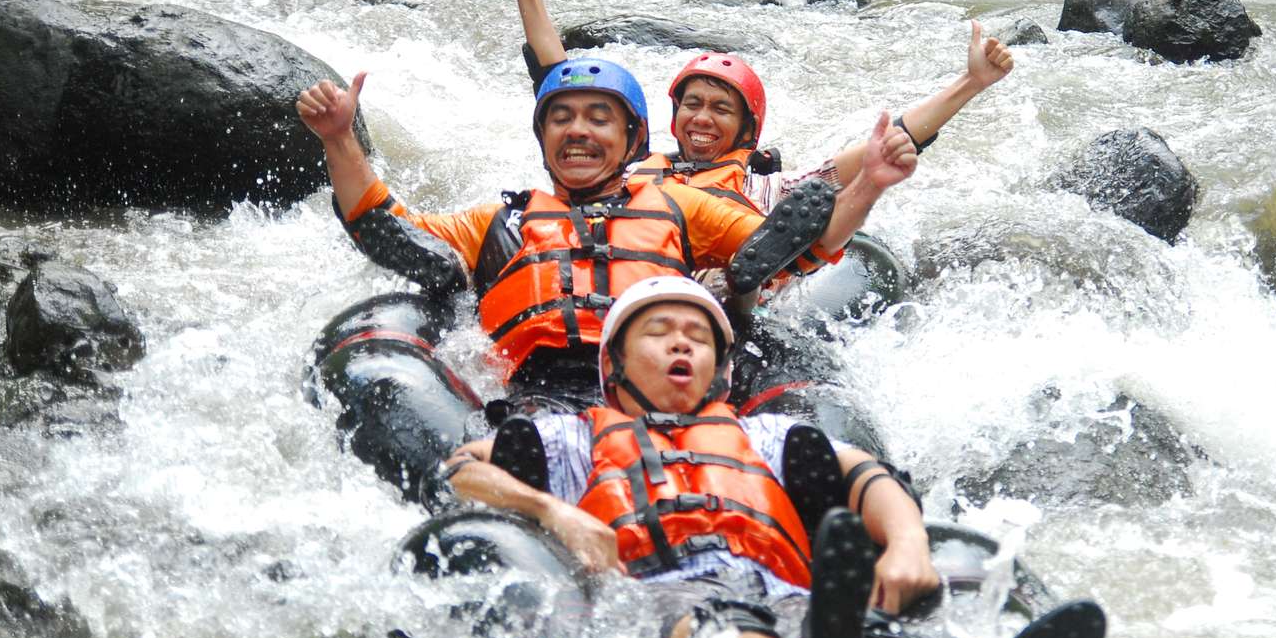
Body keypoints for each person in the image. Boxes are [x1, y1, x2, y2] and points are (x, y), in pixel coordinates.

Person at [430, 277, 1107, 638]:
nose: (682, 346)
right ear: (615, 365)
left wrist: (907, 546)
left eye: (697, 337)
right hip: (661, 589)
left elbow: (870, 478)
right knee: (729, 634)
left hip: (784, 586)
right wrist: (554, 512)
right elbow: (466, 469)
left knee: (868, 635)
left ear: (719, 372)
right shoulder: (571, 436)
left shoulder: (767, 435)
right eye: (660, 332)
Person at [295, 59, 920, 408]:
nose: (579, 132)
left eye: (599, 119)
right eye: (561, 119)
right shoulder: (498, 221)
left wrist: (869, 184)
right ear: (542, 139)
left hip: (660, 394)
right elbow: (386, 230)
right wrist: (339, 139)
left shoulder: (680, 207)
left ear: (631, 142)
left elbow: (792, 248)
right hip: (536, 397)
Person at [498, 0, 1017, 213]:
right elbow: (562, 85)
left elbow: (889, 143)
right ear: (673, 119)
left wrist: (970, 83)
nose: (702, 118)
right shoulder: (627, 168)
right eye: (693, 104)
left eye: (721, 108)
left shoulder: (775, 190)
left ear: (747, 131)